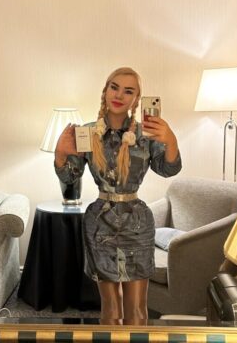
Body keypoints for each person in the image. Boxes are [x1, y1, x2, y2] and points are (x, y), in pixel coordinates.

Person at [54, 67, 182, 325]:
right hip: (100, 225)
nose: (119, 95)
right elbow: (70, 177)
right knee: (111, 310)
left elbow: (168, 169)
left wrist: (171, 141)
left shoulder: (146, 135)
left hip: (137, 224)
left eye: (128, 91)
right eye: (114, 87)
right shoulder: (88, 133)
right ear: (105, 91)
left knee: (137, 310)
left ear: (136, 100)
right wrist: (60, 154)